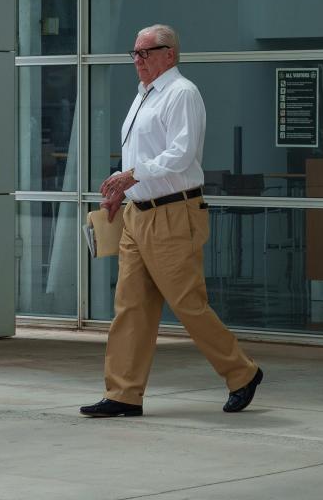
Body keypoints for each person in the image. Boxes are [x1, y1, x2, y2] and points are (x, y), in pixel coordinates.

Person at [80, 24, 262, 418]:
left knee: (187, 304)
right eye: (135, 53)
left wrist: (132, 175)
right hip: (137, 214)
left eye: (147, 52)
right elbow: (139, 159)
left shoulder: (182, 93)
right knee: (130, 306)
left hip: (174, 212)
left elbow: (181, 154)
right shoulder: (143, 95)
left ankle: (242, 373)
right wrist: (121, 191)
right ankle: (124, 393)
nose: (138, 60)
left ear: (170, 54)